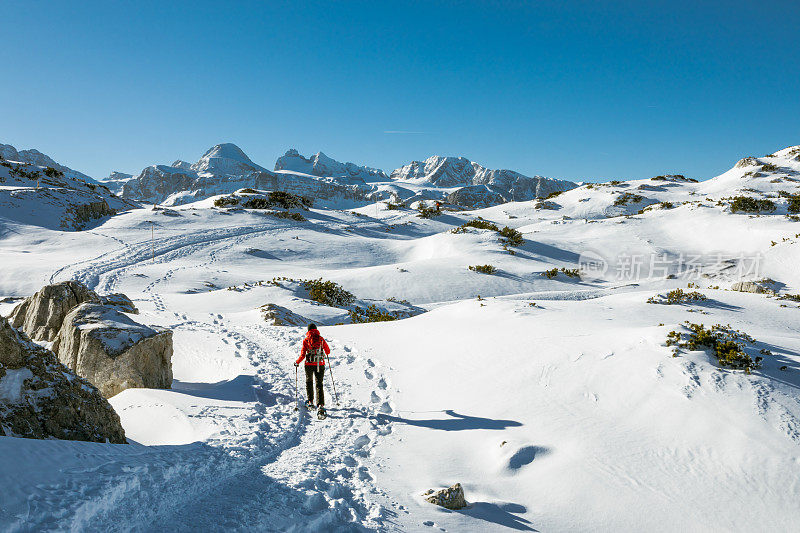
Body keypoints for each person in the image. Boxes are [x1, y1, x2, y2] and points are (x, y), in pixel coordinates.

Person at [294, 323, 330, 415]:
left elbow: (302, 355)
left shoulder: (306, 340)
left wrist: (297, 362)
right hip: (320, 364)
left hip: (309, 364)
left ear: (308, 330)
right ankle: (320, 405)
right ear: (316, 329)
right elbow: (328, 351)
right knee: (319, 384)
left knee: (309, 382)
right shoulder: (321, 339)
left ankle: (310, 402)